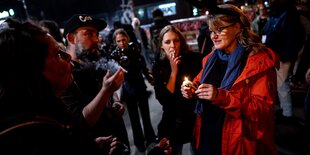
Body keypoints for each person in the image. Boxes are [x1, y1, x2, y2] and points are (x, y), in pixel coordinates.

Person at [0, 18, 115, 154]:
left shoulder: (43, 112)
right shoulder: (34, 135)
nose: (67, 57)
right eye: (57, 54)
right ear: (31, 67)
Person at [181, 4, 279, 155]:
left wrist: (221, 97)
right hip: (207, 135)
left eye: (220, 30)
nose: (213, 36)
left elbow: (262, 110)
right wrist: (191, 89)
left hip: (237, 141)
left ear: (238, 27)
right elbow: (198, 82)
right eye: (212, 31)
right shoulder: (210, 58)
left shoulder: (258, 61)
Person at [60, 14, 130, 155]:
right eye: (89, 34)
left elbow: (110, 90)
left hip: (119, 141)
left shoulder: (95, 60)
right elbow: (80, 122)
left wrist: (115, 101)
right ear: (71, 38)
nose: (97, 39)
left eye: (97, 34)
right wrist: (105, 92)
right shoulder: (64, 73)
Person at [152, 25, 203, 155]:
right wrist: (174, 71)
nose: (173, 45)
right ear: (162, 46)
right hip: (173, 120)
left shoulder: (194, 59)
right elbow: (164, 99)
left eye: (176, 40)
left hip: (194, 117)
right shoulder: (158, 66)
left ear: (181, 41)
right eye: (167, 42)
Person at [111, 28, 157, 152]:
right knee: (134, 118)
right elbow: (113, 74)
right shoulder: (115, 55)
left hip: (140, 85)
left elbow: (143, 66)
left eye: (123, 40)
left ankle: (150, 137)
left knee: (146, 115)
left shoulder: (135, 48)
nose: (122, 43)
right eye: (119, 41)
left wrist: (150, 78)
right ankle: (139, 142)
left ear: (128, 39)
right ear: (115, 42)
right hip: (127, 88)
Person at [262, 0, 306, 121]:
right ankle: (285, 110)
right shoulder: (282, 14)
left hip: (282, 56)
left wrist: (286, 56)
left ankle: (287, 113)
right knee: (280, 83)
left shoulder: (288, 16)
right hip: (278, 55)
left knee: (282, 84)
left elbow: (293, 38)